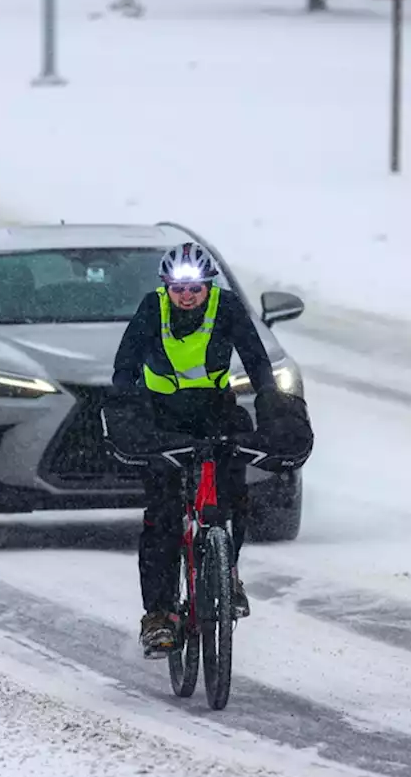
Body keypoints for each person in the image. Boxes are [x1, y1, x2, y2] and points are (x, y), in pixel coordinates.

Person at [111, 240, 291, 658]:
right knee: (162, 518)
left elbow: (257, 361)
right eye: (178, 289)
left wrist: (271, 403)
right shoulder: (150, 309)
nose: (187, 297)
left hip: (214, 411)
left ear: (209, 286)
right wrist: (126, 410)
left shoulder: (225, 308)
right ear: (166, 287)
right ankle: (158, 616)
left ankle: (227, 573)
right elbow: (125, 367)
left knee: (233, 496)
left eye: (195, 289)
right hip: (162, 418)